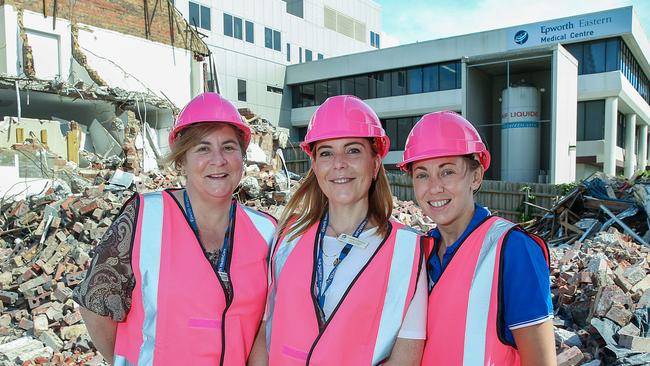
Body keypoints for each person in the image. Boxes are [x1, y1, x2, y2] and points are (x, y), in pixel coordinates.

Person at [73, 92, 277, 365]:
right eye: (202, 148)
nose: (218, 160)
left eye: (229, 147)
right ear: (182, 160)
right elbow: (95, 306)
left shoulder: (267, 231)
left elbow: (266, 326)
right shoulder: (144, 216)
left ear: (242, 157)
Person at [263, 95, 427, 366]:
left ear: (374, 164)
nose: (339, 163)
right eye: (326, 152)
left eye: (352, 150)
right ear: (314, 166)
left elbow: (406, 355)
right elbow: (264, 330)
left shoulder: (408, 250)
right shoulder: (287, 238)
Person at [396, 111, 555, 366]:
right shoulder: (419, 252)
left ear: (476, 176)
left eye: (447, 172)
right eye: (422, 174)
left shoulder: (513, 249)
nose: (434, 187)